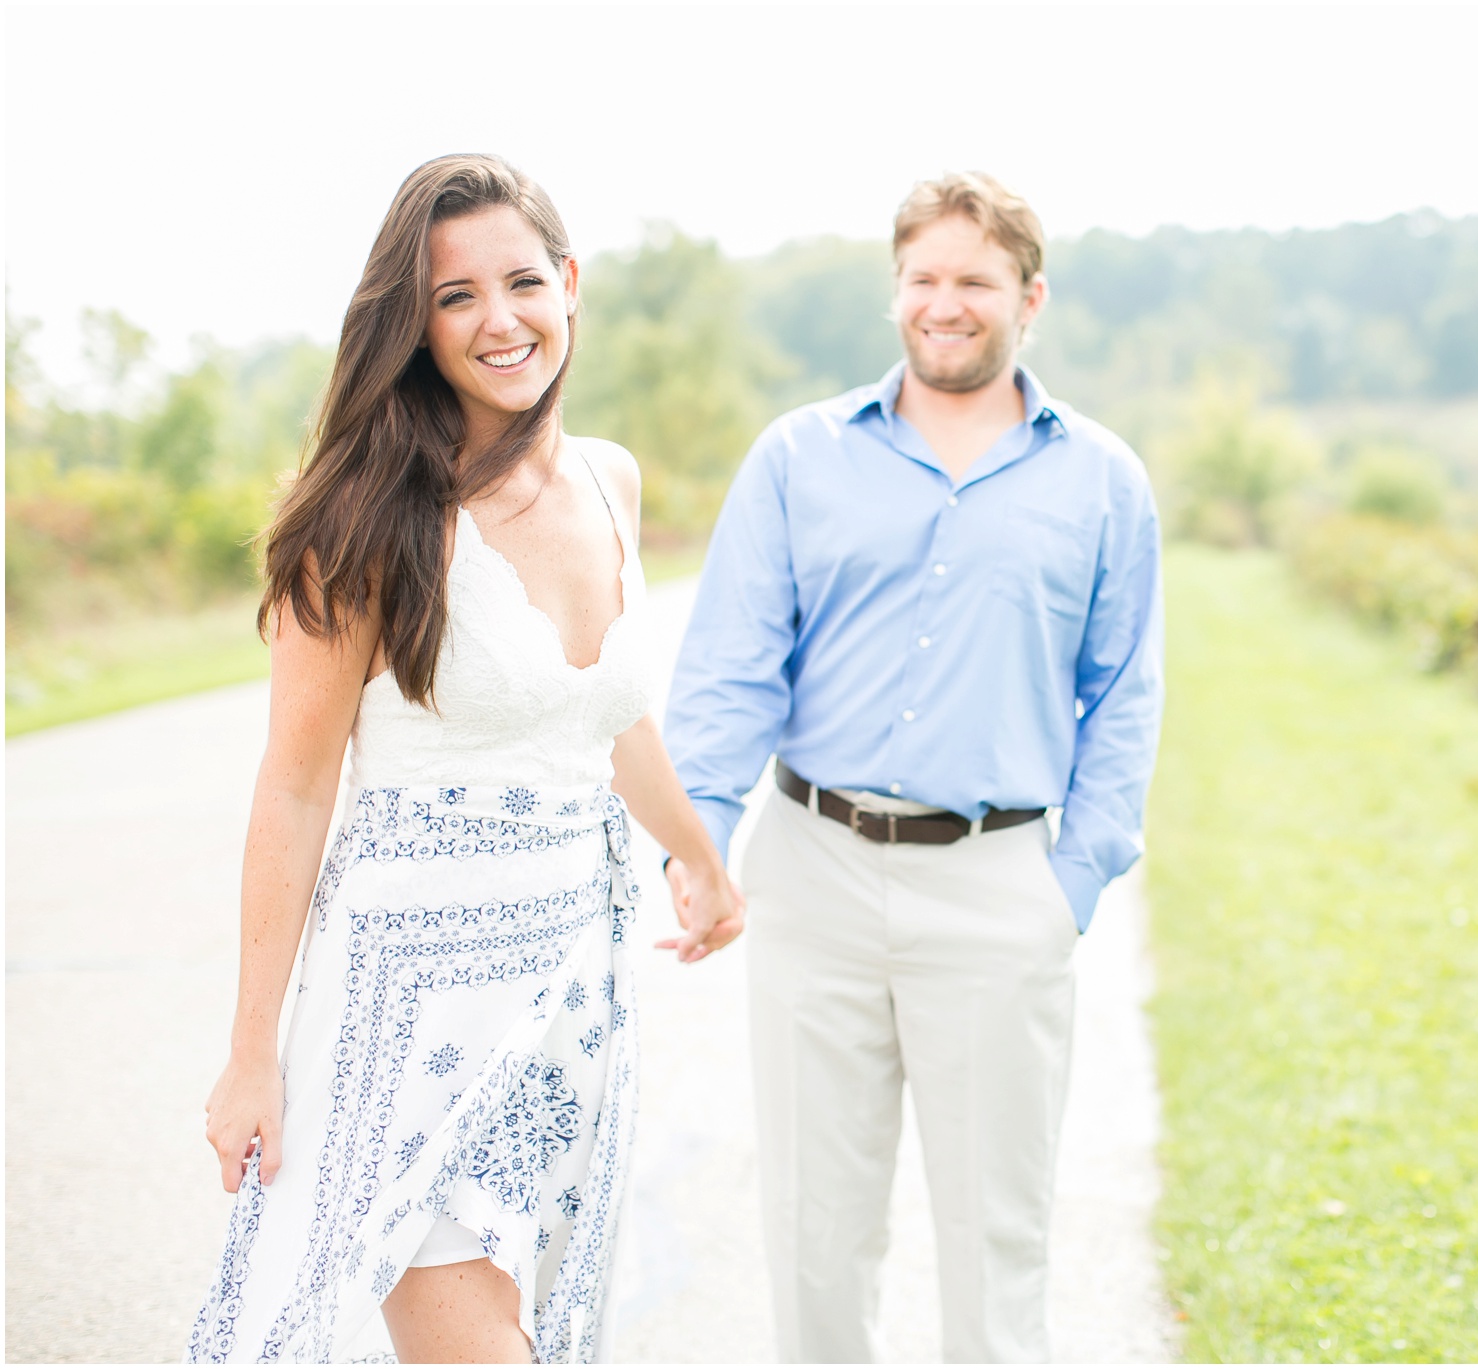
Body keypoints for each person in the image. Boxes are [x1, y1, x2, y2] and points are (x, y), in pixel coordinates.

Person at [186, 154, 744, 1365]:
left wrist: (698, 856)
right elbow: (291, 786)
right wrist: (249, 1055)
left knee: (532, 1325)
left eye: (522, 282)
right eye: (454, 297)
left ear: (570, 286)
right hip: (406, 1000)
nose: (500, 321)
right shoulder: (361, 520)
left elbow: (605, 718)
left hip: (571, 990)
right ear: (414, 322)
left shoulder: (609, 481)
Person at [664, 171, 1165, 1362]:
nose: (946, 303)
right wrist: (699, 841)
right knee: (813, 1227)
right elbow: (733, 665)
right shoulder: (797, 457)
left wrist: (1071, 884)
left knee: (995, 1235)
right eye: (924, 279)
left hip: (998, 888)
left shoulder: (1101, 480)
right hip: (812, 872)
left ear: (1027, 299)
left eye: (974, 282)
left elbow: (1125, 695)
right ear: (896, 290)